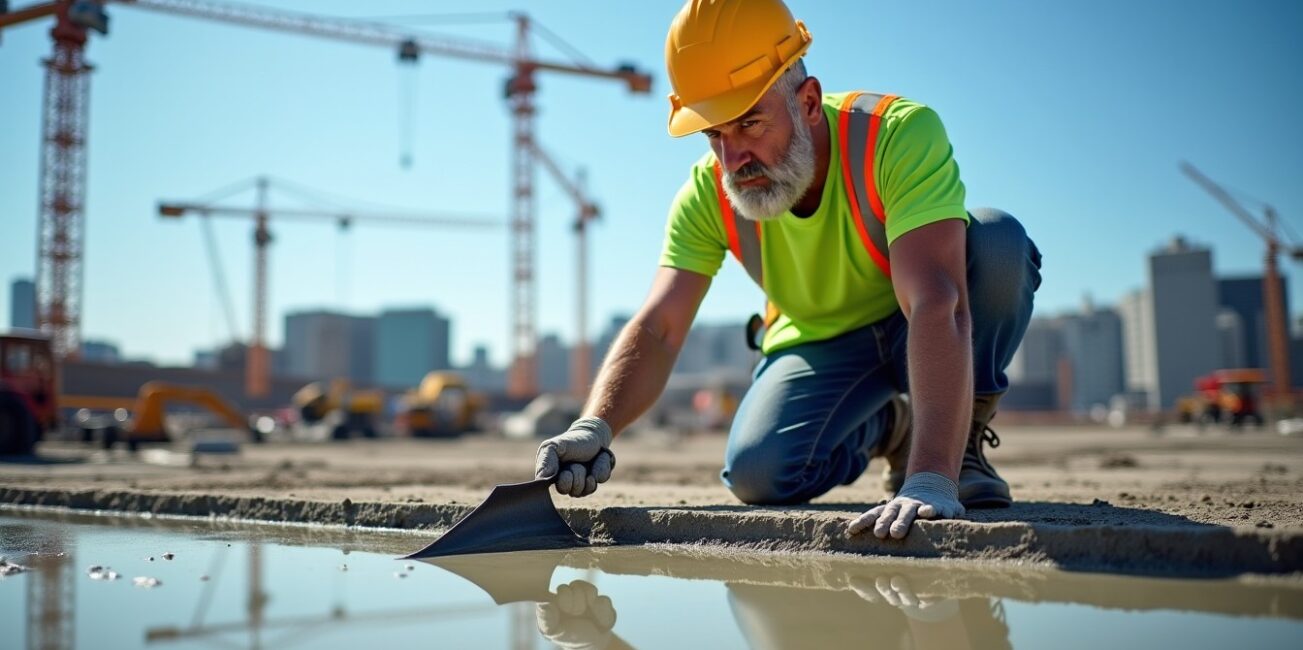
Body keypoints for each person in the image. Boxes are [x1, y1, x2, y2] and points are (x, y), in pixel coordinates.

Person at [534, 0, 1041, 539]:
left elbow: (939, 301)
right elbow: (660, 329)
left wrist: (930, 478)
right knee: (758, 473)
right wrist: (595, 424)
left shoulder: (896, 136)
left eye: (750, 123)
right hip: (820, 343)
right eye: (715, 135)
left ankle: (958, 449)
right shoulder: (708, 194)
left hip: (918, 318)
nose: (734, 159)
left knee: (997, 243)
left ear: (809, 102)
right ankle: (895, 426)